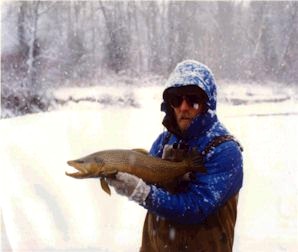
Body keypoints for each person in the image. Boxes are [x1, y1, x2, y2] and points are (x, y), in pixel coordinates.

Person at [107, 60, 243, 251]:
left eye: (193, 99)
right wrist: (123, 175)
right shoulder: (164, 141)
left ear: (207, 103)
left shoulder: (225, 150)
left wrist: (141, 193)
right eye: (176, 99)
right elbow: (150, 188)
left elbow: (197, 207)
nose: (184, 107)